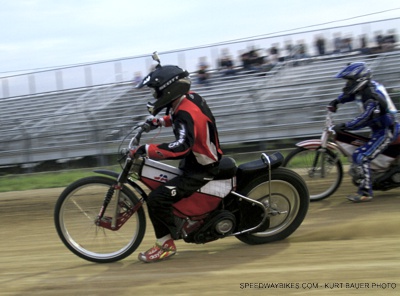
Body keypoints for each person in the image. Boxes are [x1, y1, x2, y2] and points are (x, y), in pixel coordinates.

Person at [133, 61, 223, 262]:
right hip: (197, 160)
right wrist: (158, 121)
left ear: (168, 89)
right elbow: (180, 119)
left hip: (201, 167)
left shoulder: (184, 112)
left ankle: (165, 244)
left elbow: (182, 147)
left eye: (156, 91)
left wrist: (148, 150)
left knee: (157, 199)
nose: (155, 96)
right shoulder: (188, 99)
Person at [328, 62, 399, 203]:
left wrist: (345, 126)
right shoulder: (364, 89)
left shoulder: (371, 96)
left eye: (349, 81)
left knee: (361, 156)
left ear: (359, 80)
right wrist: (337, 101)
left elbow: (364, 118)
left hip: (385, 132)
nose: (347, 84)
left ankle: (365, 192)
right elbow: (350, 95)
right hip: (379, 129)